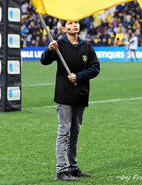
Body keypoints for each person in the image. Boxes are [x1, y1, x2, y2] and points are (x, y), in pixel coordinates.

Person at [40, 20, 100, 182]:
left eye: (76, 22)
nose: (75, 25)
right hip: (64, 94)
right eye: (70, 23)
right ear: (64, 28)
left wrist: (78, 76)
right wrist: (48, 50)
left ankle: (73, 167)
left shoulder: (86, 46)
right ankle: (61, 170)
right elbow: (44, 61)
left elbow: (95, 68)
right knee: (64, 131)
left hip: (81, 94)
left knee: (75, 133)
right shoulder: (58, 44)